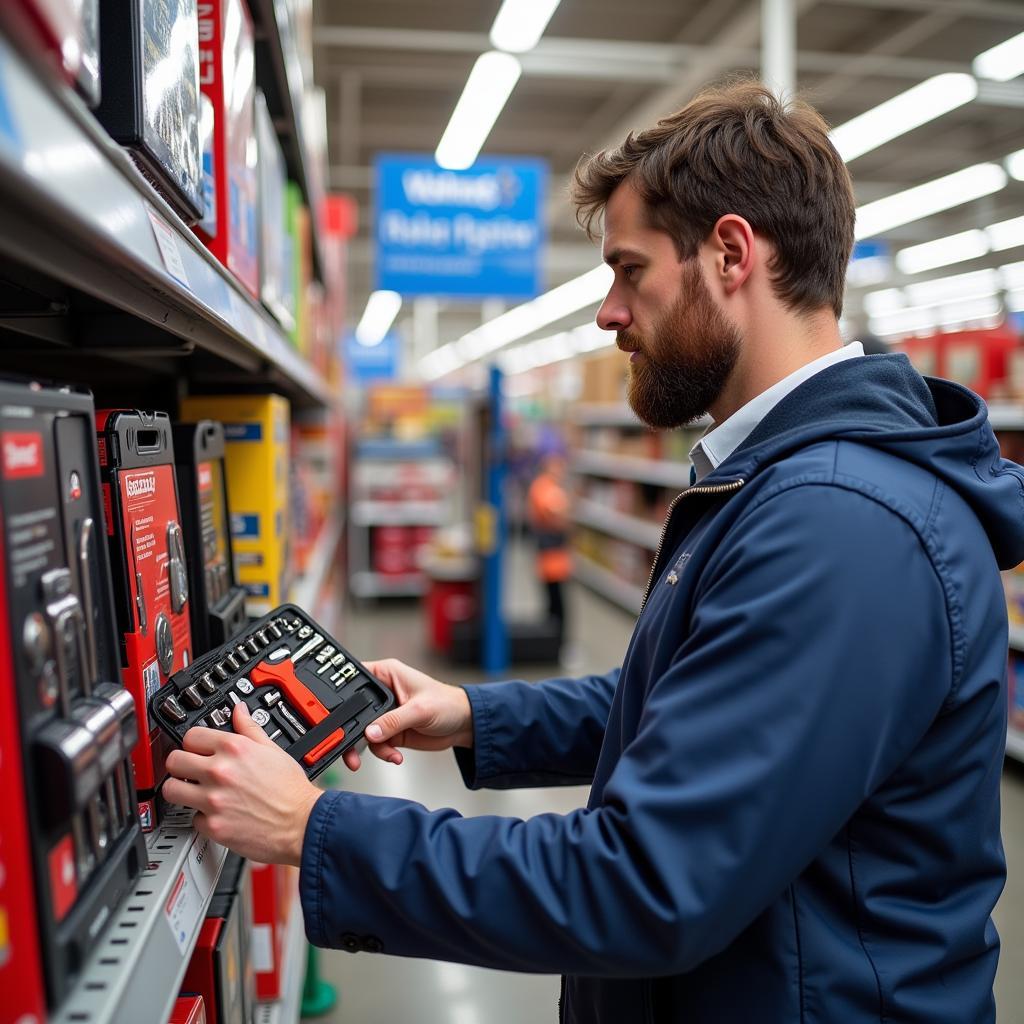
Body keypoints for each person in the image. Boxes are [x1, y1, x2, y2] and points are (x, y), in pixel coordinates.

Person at [163, 80, 1024, 1023]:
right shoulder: (791, 486)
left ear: (731, 254)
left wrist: (316, 829)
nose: (608, 313)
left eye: (629, 270)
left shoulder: (840, 525)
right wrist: (476, 719)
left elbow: (645, 887)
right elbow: (701, 697)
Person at [526, 452, 572, 644]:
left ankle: (554, 641)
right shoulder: (545, 487)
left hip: (553, 553)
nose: (561, 470)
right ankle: (558, 643)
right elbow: (558, 515)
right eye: (557, 465)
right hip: (551, 555)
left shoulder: (546, 486)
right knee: (557, 602)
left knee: (554, 600)